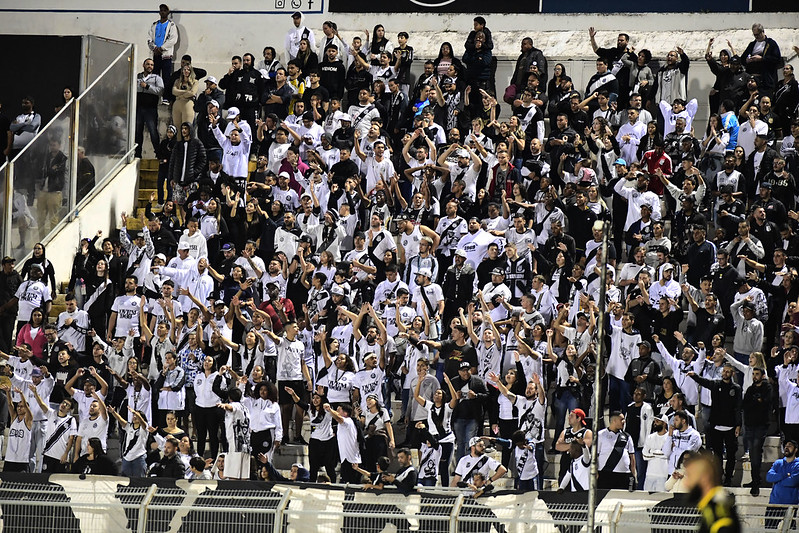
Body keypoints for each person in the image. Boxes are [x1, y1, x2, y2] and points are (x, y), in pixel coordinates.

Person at [683, 450, 742, 533]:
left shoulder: (717, 513)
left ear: (704, 477)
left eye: (690, 476)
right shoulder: (712, 507)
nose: (686, 483)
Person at [597, 411, 636, 489]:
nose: (624, 421)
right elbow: (595, 454)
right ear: (614, 421)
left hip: (624, 474)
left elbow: (632, 456)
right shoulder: (601, 434)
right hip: (605, 473)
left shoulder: (627, 436)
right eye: (621, 419)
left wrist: (633, 474)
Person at [135, 59, 164, 159]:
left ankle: (158, 154)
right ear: (143, 65)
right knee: (138, 133)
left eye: (152, 64)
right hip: (138, 108)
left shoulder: (156, 78)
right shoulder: (137, 76)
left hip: (150, 109)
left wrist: (147, 87)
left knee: (153, 132)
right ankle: (137, 154)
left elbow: (160, 90)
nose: (150, 66)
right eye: (148, 64)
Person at [147, 4, 178, 91]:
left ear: (168, 12)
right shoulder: (154, 25)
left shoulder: (171, 25)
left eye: (165, 10)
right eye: (161, 10)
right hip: (156, 54)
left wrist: (161, 48)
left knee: (166, 77)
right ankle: (155, 96)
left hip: (166, 55)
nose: (163, 12)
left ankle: (165, 97)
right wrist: (155, 48)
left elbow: (173, 39)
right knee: (155, 76)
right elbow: (149, 38)